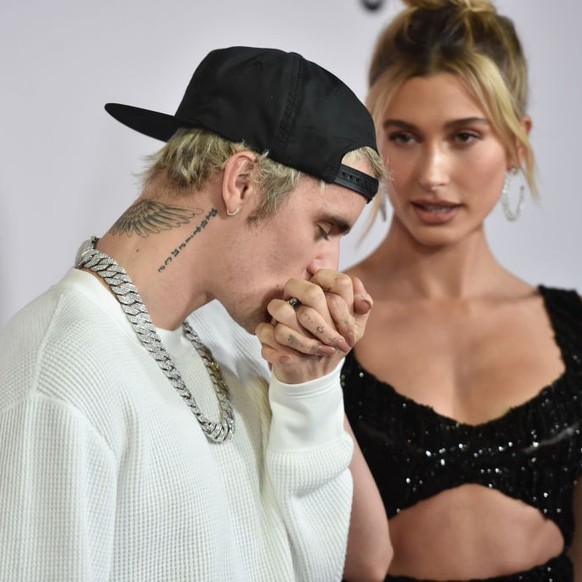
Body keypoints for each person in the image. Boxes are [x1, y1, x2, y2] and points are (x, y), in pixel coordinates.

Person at [0, 45, 388, 581]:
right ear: (241, 182)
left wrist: (310, 392)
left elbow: (345, 568)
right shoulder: (58, 370)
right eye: (325, 228)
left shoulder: (239, 343)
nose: (329, 266)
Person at [340, 1, 582, 580]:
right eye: (403, 136)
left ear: (516, 144)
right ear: (373, 144)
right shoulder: (323, 321)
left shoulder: (575, 329)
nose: (432, 174)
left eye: (464, 136)